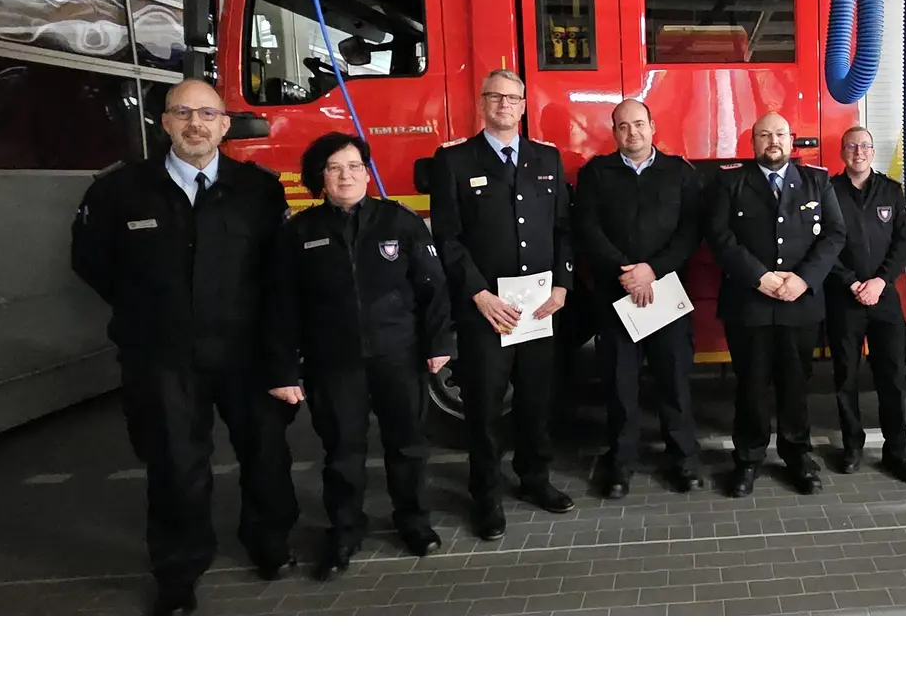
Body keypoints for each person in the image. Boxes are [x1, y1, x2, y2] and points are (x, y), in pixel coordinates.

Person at [70, 78, 299, 615]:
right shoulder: (118, 191)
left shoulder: (259, 190)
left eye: (207, 114)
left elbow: (279, 274)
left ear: (224, 125)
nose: (195, 123)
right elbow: (91, 263)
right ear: (165, 122)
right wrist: (152, 312)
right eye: (182, 113)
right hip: (162, 357)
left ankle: (269, 543)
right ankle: (178, 569)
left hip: (247, 355)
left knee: (266, 454)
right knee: (175, 465)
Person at [267, 132, 454, 580]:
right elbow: (279, 306)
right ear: (320, 178)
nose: (345, 175)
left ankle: (413, 521)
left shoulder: (399, 222)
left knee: (408, 446)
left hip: (398, 357)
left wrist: (439, 344)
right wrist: (284, 369)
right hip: (333, 363)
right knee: (342, 453)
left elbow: (433, 287)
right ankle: (346, 530)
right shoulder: (299, 233)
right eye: (334, 169)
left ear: (366, 172)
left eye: (353, 166)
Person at [429, 69, 575, 542]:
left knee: (536, 401)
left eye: (513, 98)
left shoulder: (546, 158)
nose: (504, 105)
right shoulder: (453, 161)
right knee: (485, 410)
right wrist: (478, 294)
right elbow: (447, 238)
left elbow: (562, 231)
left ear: (525, 104)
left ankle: (535, 479)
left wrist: (562, 287)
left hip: (539, 309)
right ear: (482, 104)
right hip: (486, 310)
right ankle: (486, 496)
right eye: (495, 97)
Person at [706, 112, 847, 497]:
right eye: (765, 134)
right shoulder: (731, 181)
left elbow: (835, 235)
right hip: (749, 303)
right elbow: (719, 237)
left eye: (781, 134)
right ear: (752, 142)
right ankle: (748, 459)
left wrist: (803, 279)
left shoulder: (817, 181)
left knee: (795, 385)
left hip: (799, 303)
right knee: (750, 386)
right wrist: (760, 277)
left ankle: (797, 455)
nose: (774, 140)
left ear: (792, 140)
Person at [574, 99, 705, 498]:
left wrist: (654, 270)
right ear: (614, 132)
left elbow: (690, 231)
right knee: (619, 385)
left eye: (638, 124)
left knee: (675, 382)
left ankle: (684, 461)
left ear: (653, 126)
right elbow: (587, 228)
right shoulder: (596, 174)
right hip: (616, 298)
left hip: (666, 294)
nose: (632, 133)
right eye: (623, 126)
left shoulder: (679, 173)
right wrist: (627, 272)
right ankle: (620, 465)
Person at [824, 125, 906, 483]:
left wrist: (880, 281)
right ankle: (852, 447)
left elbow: (905, 241)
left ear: (873, 151)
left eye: (865, 145)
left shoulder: (891, 192)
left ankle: (898, 453)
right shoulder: (828, 191)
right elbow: (821, 247)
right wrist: (850, 282)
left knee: (892, 378)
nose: (859, 152)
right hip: (843, 299)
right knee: (845, 377)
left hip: (884, 299)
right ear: (842, 151)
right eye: (852, 146)